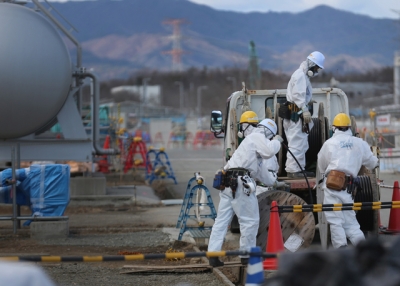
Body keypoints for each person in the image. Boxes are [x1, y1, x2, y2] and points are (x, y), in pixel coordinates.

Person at [208, 117, 283, 267]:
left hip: (229, 184)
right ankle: (246, 256)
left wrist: (275, 182)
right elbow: (269, 151)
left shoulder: (250, 147)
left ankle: (213, 255)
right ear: (269, 132)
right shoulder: (257, 137)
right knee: (250, 221)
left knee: (221, 222)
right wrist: (277, 142)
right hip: (241, 184)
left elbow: (262, 174)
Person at [317, 113, 379, 248]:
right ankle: (364, 249)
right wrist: (375, 161)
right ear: (350, 127)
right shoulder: (359, 143)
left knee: (335, 220)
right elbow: (372, 163)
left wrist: (323, 176)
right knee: (350, 221)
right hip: (349, 187)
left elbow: (321, 164)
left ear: (334, 128)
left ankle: (341, 249)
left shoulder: (329, 143)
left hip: (332, 184)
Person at [283, 51, 325, 178]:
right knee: (296, 143)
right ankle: (292, 170)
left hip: (297, 112)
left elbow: (301, 94)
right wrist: (304, 108)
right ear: (312, 65)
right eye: (316, 68)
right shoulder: (300, 75)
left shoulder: (303, 76)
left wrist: (307, 101)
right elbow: (297, 95)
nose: (317, 71)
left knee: (302, 143)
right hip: (296, 113)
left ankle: (299, 169)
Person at [237, 111, 285, 194]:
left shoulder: (255, 143)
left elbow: (262, 169)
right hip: (259, 186)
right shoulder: (260, 144)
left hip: (260, 187)